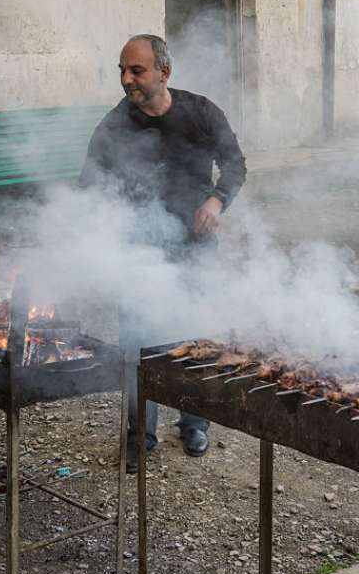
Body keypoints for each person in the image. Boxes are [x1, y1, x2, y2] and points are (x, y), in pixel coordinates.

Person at [79, 34, 247, 473]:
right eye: (122, 70)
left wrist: (216, 201)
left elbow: (235, 164)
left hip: (194, 246)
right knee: (139, 343)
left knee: (194, 335)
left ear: (163, 73)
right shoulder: (115, 125)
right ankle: (139, 435)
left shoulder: (201, 112)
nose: (126, 80)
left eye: (136, 70)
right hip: (139, 252)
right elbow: (90, 186)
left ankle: (194, 423)